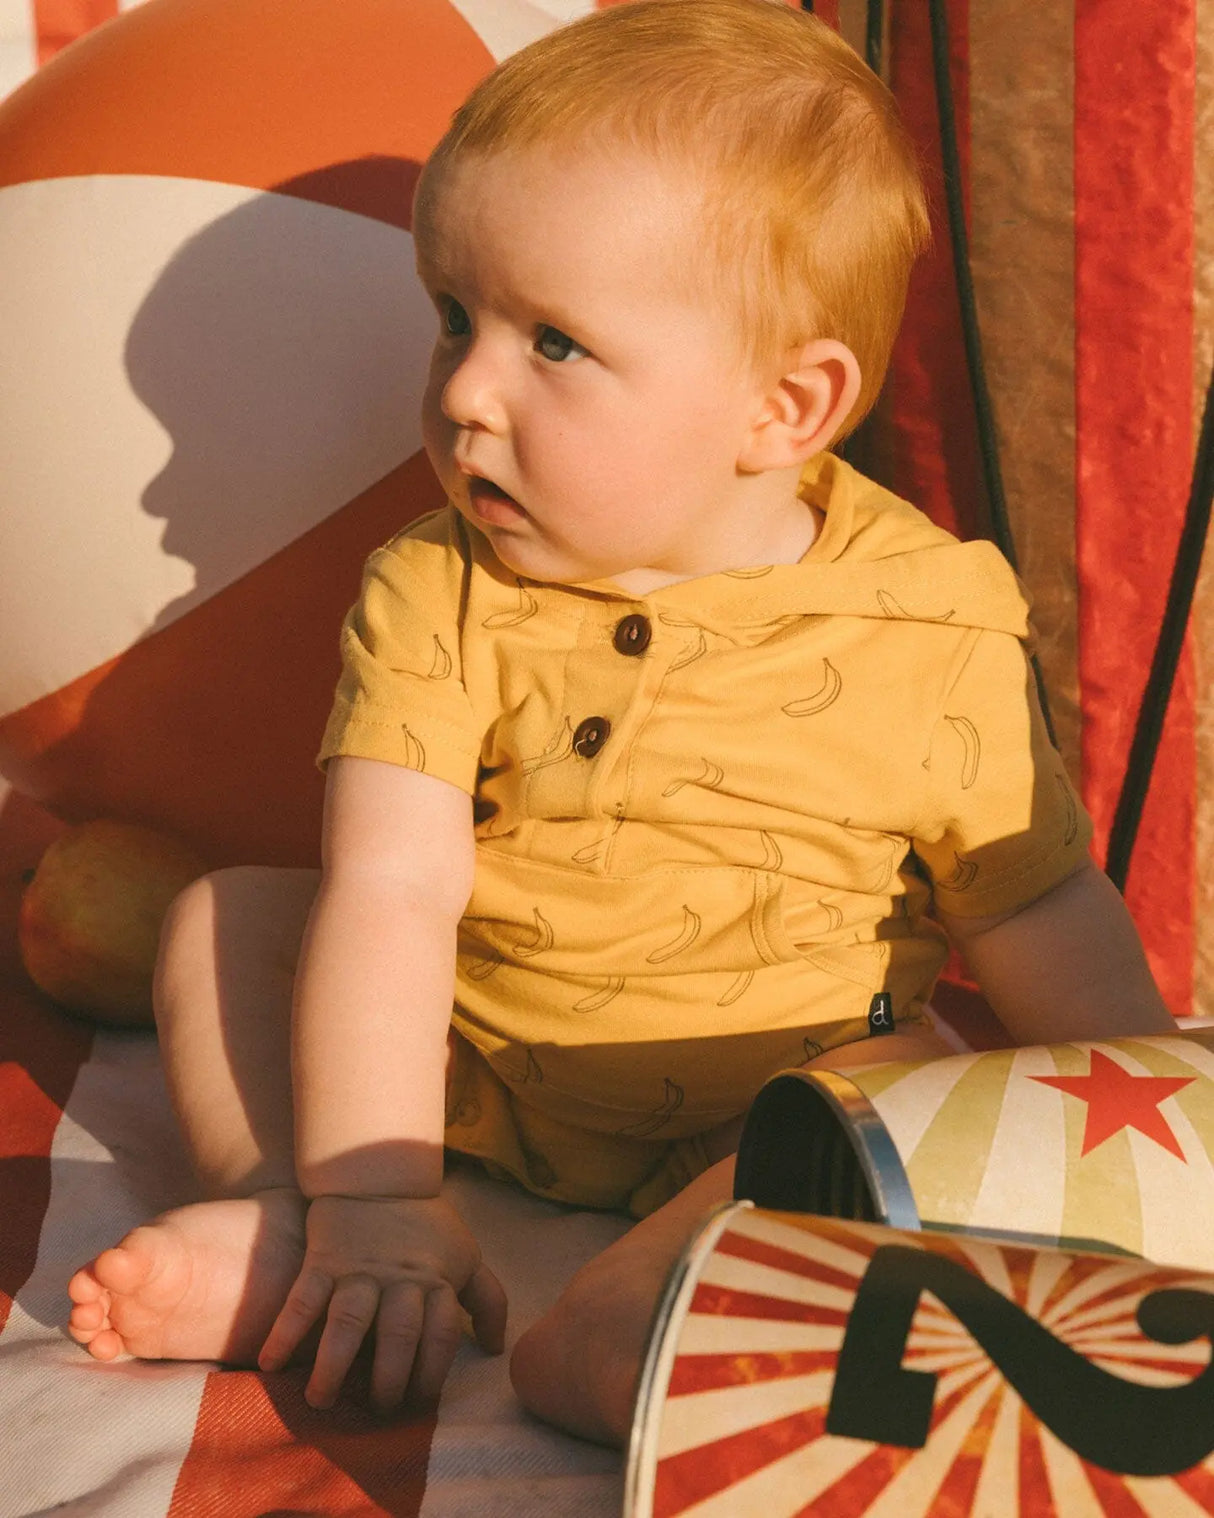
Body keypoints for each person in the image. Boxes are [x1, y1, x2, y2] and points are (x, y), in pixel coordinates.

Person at [65, 0, 1173, 1447]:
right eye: (453, 317)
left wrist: (1161, 1128)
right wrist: (369, 1192)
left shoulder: (930, 622)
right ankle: (315, 1230)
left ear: (783, 408)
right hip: (463, 1073)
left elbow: (1034, 903)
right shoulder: (437, 587)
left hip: (766, 1097)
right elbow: (393, 891)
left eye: (555, 343)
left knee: (909, 1085)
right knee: (232, 921)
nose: (466, 390)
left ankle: (636, 1302)